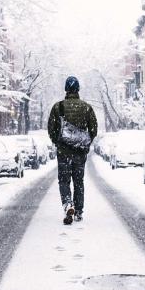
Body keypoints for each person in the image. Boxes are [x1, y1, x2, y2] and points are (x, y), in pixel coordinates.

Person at [47, 76, 99, 225]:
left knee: (64, 181)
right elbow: (94, 129)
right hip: (79, 153)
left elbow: (51, 128)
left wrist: (58, 142)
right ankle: (79, 211)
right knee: (78, 182)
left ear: (66, 89)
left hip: (63, 152)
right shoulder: (86, 107)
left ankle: (68, 204)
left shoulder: (58, 107)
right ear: (78, 89)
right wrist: (85, 142)